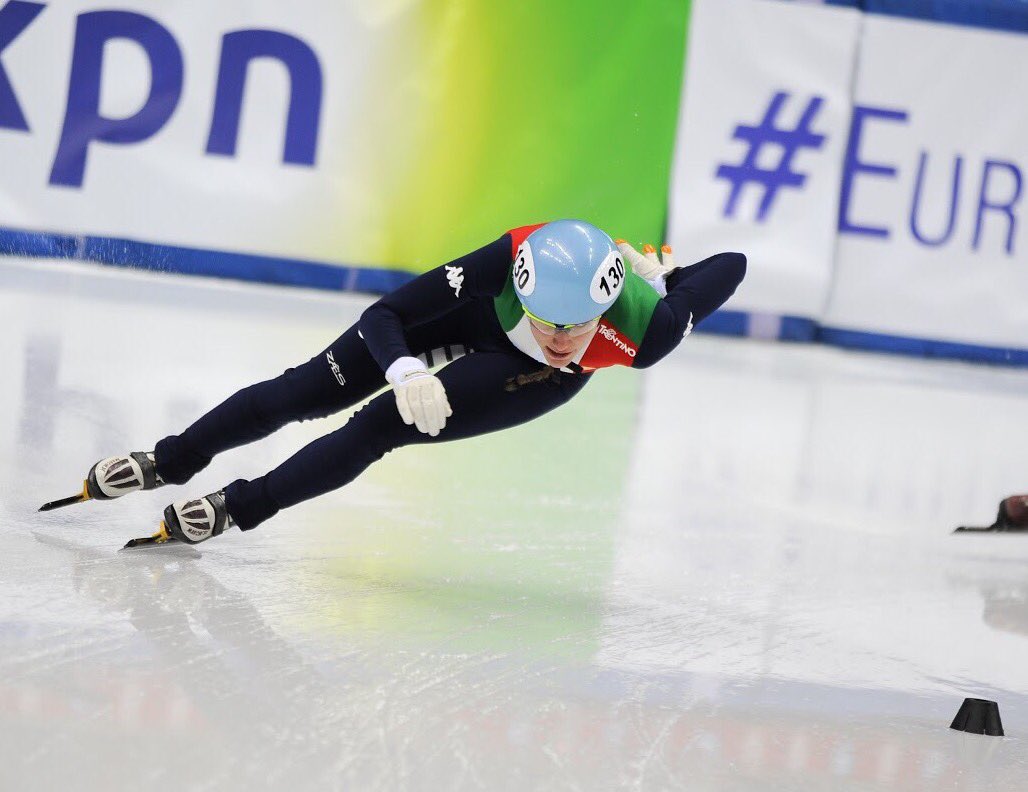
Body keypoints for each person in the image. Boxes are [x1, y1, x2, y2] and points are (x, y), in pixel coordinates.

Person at [71, 220, 746, 546]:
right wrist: (402, 368)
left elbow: (732, 263)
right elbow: (385, 314)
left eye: (580, 324)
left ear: (606, 306)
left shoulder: (643, 331)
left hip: (527, 376)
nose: (564, 337)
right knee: (303, 390)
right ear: (523, 288)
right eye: (547, 319)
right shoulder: (504, 260)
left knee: (376, 429)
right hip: (473, 316)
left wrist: (661, 284)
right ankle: (171, 458)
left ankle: (234, 508)